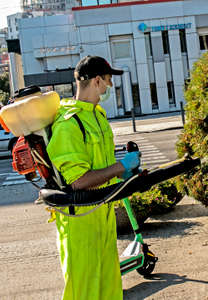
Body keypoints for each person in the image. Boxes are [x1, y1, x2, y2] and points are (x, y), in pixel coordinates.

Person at [46, 55, 141, 300]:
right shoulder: (68, 124)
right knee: (85, 291)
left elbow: (101, 163)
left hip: (102, 214)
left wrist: (123, 171)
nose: (110, 87)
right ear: (97, 80)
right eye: (109, 80)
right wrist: (120, 167)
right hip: (80, 221)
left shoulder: (96, 115)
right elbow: (78, 181)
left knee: (108, 287)